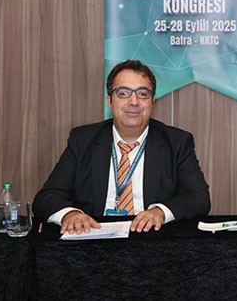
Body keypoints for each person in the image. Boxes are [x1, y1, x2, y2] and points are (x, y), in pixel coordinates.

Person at [33, 60, 211, 234]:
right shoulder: (83, 140)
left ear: (152, 102)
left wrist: (160, 212)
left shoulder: (177, 142)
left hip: (151, 238)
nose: (134, 102)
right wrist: (70, 215)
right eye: (123, 93)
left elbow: (198, 198)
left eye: (142, 94)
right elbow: (47, 197)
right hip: (95, 238)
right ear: (109, 101)